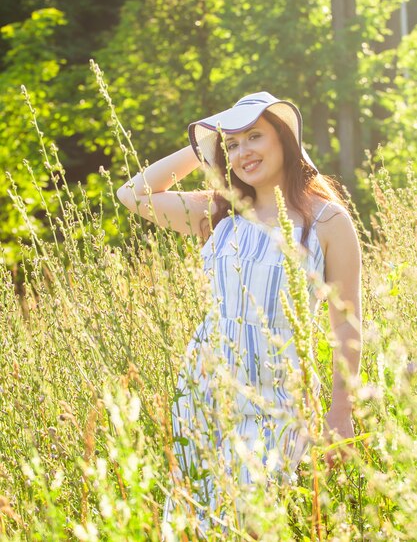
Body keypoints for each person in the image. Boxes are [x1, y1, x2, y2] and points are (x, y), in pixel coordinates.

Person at [117, 91, 362, 537]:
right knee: (190, 524)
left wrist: (340, 412)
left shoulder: (326, 222)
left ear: (284, 140)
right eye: (231, 144)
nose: (243, 151)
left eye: (255, 136)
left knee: (247, 525)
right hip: (202, 395)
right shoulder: (217, 213)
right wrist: (201, 146)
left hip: (278, 403)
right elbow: (132, 193)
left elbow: (347, 323)